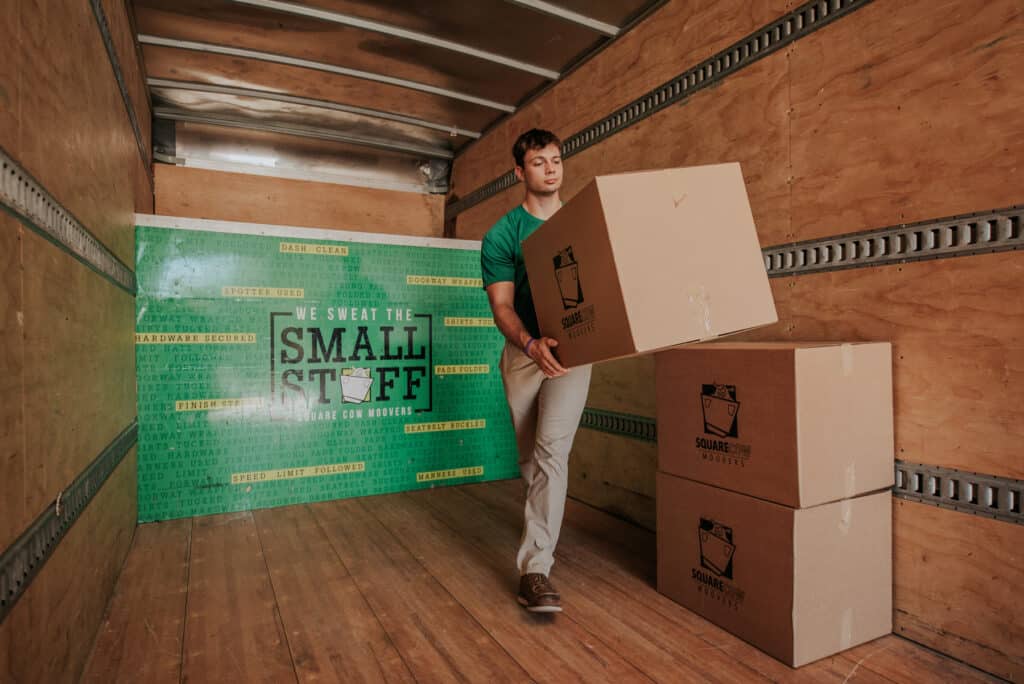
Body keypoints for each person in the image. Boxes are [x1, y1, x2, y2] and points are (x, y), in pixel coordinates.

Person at [480, 129, 593, 613]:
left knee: (551, 452)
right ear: (519, 172)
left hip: (572, 353)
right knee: (530, 460)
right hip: (524, 353)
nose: (552, 168)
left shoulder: (584, 223)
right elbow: (502, 306)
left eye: (557, 160)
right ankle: (540, 518)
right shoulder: (502, 235)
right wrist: (528, 342)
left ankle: (535, 569)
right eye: (539, 162)